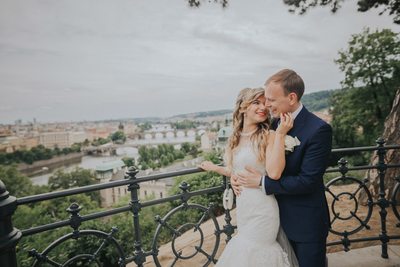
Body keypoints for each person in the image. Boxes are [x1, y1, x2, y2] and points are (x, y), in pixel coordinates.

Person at [236, 69, 332, 267]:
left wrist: (263, 183)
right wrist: (235, 177)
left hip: (304, 223)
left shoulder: (318, 129)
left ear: (292, 97)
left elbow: (308, 181)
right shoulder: (272, 123)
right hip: (272, 222)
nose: (266, 104)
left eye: (271, 99)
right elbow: (254, 157)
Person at [199, 87, 298, 267]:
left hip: (264, 208)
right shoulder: (235, 138)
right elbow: (237, 170)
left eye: (265, 103)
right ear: (243, 107)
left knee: (253, 251)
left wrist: (282, 134)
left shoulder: (270, 135)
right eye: (256, 103)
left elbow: (274, 173)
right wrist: (216, 169)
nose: (263, 107)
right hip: (245, 208)